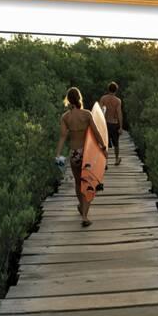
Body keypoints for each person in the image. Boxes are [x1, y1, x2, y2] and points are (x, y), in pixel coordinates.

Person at [55, 87, 106, 227]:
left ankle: (81, 205)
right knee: (89, 183)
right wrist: (103, 148)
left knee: (78, 183)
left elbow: (63, 136)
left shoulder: (65, 117)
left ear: (68, 99)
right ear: (79, 98)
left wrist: (58, 154)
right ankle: (84, 216)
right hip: (87, 153)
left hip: (74, 153)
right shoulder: (87, 114)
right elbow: (96, 133)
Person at [99, 81, 123, 165]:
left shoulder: (103, 99)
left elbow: (100, 112)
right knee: (116, 143)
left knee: (104, 143)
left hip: (105, 124)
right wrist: (120, 127)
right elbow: (119, 113)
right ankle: (116, 159)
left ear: (108, 89)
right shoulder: (118, 101)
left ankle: (105, 162)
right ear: (116, 90)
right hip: (114, 123)